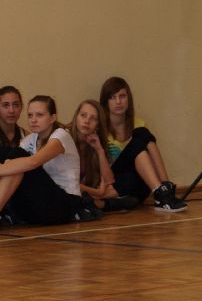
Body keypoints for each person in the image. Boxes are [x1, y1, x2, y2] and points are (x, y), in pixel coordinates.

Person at [0, 95, 100, 225]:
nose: (33, 120)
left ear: (52, 118)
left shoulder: (61, 135)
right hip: (39, 205)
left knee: (19, 156)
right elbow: (11, 164)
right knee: (6, 153)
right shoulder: (29, 140)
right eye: (30, 115)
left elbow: (33, 162)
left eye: (39, 115)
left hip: (63, 205)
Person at [99, 77, 187, 212]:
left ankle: (164, 190)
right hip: (112, 180)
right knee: (141, 133)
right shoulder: (100, 129)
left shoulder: (138, 123)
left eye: (122, 96)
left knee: (141, 136)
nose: (118, 102)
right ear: (105, 102)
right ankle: (164, 192)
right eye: (112, 97)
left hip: (133, 185)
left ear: (129, 99)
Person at [69, 100, 138, 212]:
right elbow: (68, 184)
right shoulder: (64, 138)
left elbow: (109, 180)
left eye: (93, 118)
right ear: (76, 117)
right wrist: (99, 193)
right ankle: (106, 204)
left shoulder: (95, 142)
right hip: (65, 192)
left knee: (131, 178)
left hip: (83, 194)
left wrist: (99, 150)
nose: (87, 121)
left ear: (98, 126)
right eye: (83, 115)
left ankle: (100, 203)